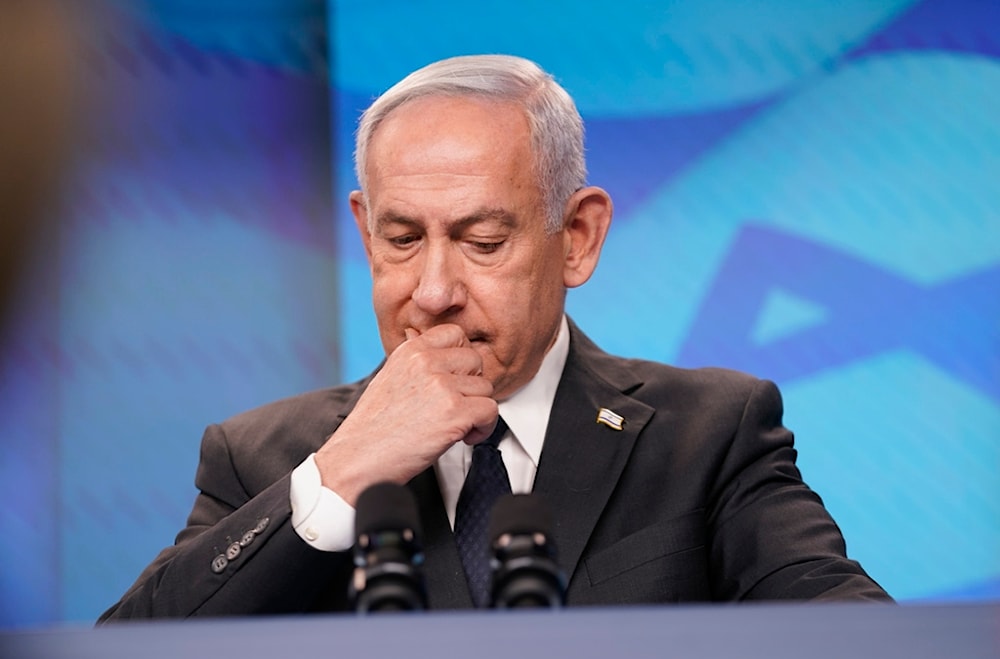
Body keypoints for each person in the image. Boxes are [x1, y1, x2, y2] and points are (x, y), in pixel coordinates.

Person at [100, 55, 889, 620]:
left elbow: (862, 637)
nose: (434, 292)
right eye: (402, 239)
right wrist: (339, 476)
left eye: (482, 241)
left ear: (577, 237)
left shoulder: (712, 433)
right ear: (364, 235)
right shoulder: (263, 457)